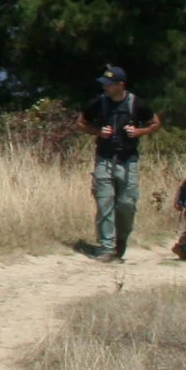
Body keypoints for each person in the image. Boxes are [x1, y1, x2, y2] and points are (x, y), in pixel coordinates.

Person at [76, 66, 162, 260]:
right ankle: (107, 247)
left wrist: (139, 132)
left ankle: (121, 239)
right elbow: (81, 123)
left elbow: (155, 123)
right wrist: (98, 132)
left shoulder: (137, 104)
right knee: (104, 203)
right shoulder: (99, 103)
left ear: (120, 85)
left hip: (128, 161)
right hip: (104, 160)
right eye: (104, 84)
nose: (105, 87)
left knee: (127, 204)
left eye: (109, 84)